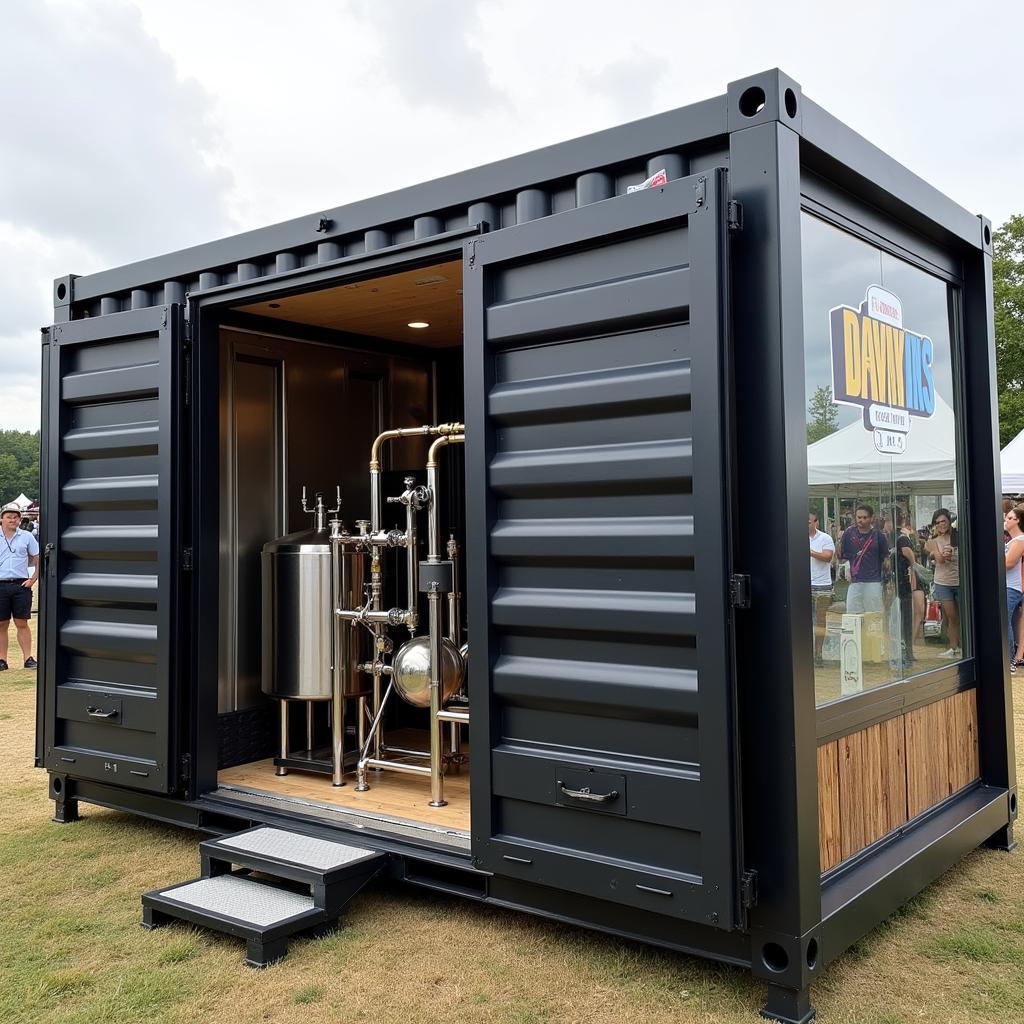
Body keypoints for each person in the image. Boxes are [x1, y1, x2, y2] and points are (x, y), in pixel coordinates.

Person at [0, 502, 40, 671]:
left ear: (20, 519)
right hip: (1, 584)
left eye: (16, 517)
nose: (13, 520)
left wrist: (33, 579)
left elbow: (38, 559)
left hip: (21, 584)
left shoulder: (27, 536)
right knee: (1, 624)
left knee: (22, 622)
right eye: (9, 516)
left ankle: (28, 658)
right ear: (1, 519)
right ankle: (2, 660)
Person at [839, 504, 889, 613]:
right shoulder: (849, 533)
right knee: (852, 613)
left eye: (864, 517)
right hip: (855, 580)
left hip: (873, 581)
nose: (861, 520)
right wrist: (847, 566)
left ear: (871, 518)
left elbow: (885, 558)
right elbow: (842, 554)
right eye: (859, 517)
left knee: (873, 615)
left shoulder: (879, 536)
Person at [926, 508, 961, 659]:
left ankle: (965, 647)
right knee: (951, 616)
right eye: (937, 522)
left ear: (949, 521)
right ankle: (954, 648)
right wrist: (936, 550)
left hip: (960, 581)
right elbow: (939, 560)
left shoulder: (959, 537)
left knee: (964, 616)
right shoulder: (933, 541)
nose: (941, 525)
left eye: (943, 521)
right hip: (943, 582)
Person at [895, 517, 925, 665]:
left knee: (913, 615)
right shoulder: (903, 539)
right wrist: (915, 567)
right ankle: (907, 649)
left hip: (906, 583)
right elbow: (907, 553)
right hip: (905, 583)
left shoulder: (907, 538)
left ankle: (909, 648)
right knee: (908, 616)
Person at [808, 512, 835, 666]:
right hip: (803, 584)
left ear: (816, 522)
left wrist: (810, 552)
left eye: (809, 522)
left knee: (820, 620)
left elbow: (827, 557)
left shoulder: (825, 538)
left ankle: (818, 653)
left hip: (822, 585)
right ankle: (807, 653)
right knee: (804, 621)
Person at [1005, 507, 1024, 674]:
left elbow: (1008, 563)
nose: (1006, 520)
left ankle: (1010, 660)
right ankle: (1011, 658)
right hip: (1010, 587)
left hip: (1012, 588)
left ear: (1017, 520)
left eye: (1010, 518)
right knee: (1010, 622)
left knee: (1006, 622)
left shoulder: (1019, 540)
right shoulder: (1012, 541)